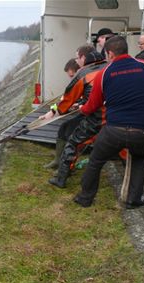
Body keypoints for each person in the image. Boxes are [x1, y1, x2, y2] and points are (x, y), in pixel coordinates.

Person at [74, 36, 144, 208]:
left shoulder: (104, 73)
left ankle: (85, 198)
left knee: (96, 161)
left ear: (110, 53)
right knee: (140, 160)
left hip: (114, 131)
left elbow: (92, 106)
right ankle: (133, 200)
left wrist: (80, 108)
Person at [40, 45, 107, 188]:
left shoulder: (84, 74)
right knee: (65, 128)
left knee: (73, 142)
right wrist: (82, 103)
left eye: (77, 57)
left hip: (97, 117)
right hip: (115, 116)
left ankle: (61, 177)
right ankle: (59, 161)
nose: (76, 61)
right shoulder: (108, 66)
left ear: (84, 57)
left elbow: (67, 100)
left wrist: (52, 113)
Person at [44, 58, 81, 169]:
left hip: (92, 115)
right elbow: (64, 100)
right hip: (83, 112)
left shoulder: (83, 80)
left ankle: (67, 166)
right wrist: (52, 111)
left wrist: (78, 104)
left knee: (70, 133)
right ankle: (57, 160)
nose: (71, 78)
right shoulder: (76, 81)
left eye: (72, 75)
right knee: (63, 128)